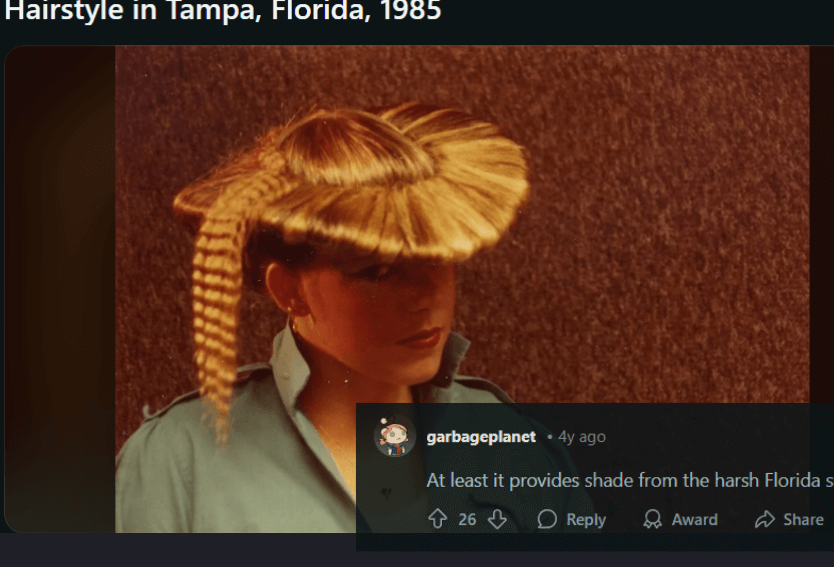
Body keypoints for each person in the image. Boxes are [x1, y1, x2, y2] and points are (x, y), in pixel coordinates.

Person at [115, 102, 531, 532]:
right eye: (379, 271)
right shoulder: (177, 464)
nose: (426, 295)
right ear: (289, 291)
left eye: (439, 258)